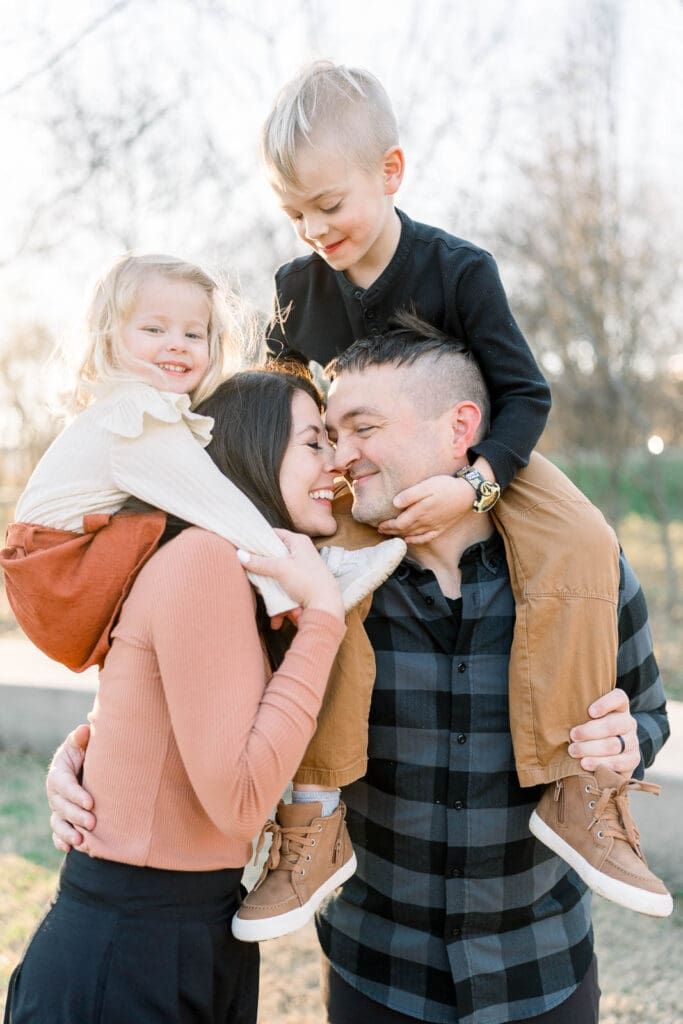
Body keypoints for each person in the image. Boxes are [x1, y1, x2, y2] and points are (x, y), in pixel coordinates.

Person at [47, 324, 671, 1024]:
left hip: (542, 970)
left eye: (362, 428)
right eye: (327, 435)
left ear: (460, 428)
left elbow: (649, 711)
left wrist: (629, 740)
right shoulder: (309, 582)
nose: (341, 456)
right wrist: (83, 757)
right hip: (375, 975)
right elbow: (184, 696)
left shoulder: (583, 568)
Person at [252, 59, 671, 917]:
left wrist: (475, 488)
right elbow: (280, 400)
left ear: (390, 172)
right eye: (293, 213)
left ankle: (581, 787)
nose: (312, 230)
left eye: (328, 206)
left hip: (487, 465)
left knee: (585, 538)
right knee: (327, 597)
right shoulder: (296, 292)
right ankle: (315, 816)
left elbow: (525, 394)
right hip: (362, 478)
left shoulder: (457, 268)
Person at [4, 367, 353, 1023]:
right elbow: (240, 802)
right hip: (133, 950)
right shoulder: (203, 559)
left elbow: (162, 726)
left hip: (191, 929)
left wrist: (80, 749)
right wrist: (323, 619)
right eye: (313, 442)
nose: (333, 464)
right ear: (254, 445)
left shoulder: (236, 575)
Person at [1, 252, 404, 672]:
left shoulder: (142, 411)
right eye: (154, 328)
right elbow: (220, 505)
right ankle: (325, 570)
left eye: (194, 335)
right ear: (110, 339)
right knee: (205, 535)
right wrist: (300, 589)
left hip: (53, 578)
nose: (176, 343)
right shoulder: (134, 412)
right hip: (57, 574)